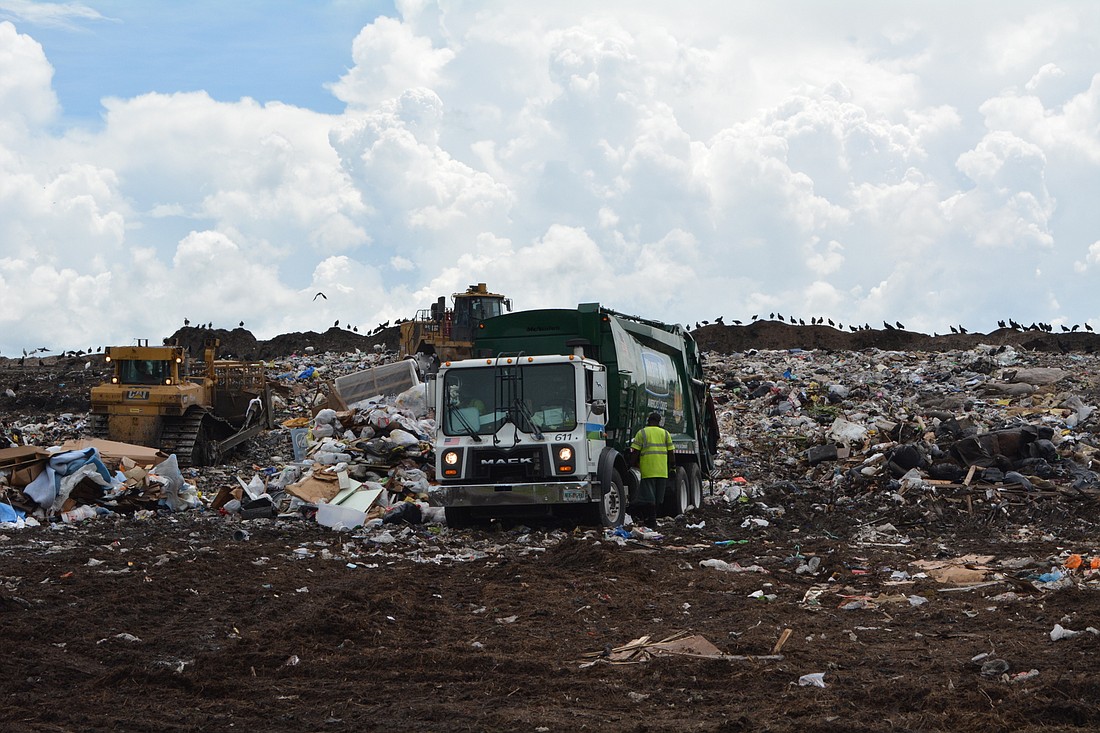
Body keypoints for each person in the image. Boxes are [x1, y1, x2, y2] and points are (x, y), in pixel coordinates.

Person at [628, 412, 674, 527]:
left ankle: (651, 520)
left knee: (649, 497)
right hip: (662, 471)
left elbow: (635, 452)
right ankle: (653, 519)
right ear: (659, 421)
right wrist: (673, 467)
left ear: (648, 420)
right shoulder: (665, 433)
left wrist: (630, 465)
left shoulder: (642, 433)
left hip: (648, 471)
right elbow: (671, 452)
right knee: (658, 497)